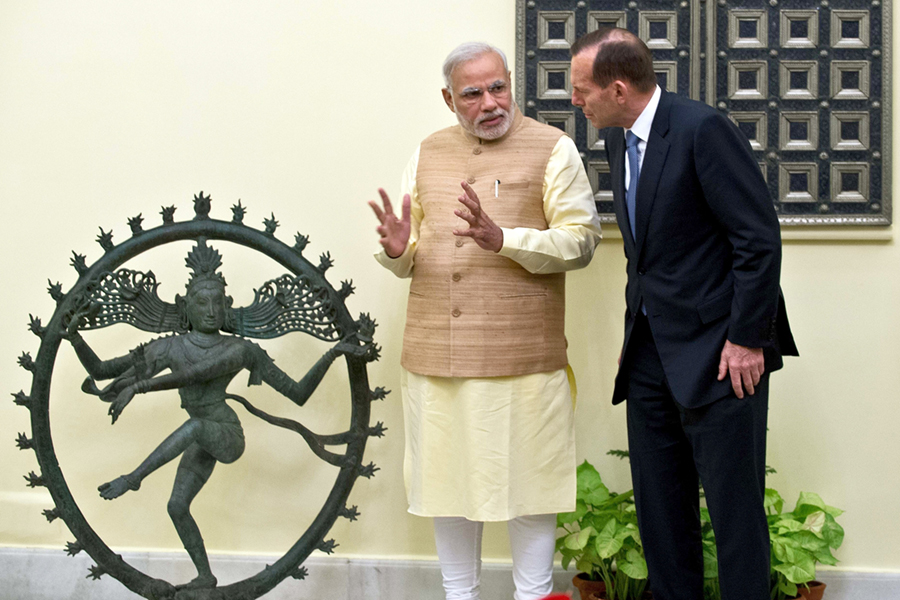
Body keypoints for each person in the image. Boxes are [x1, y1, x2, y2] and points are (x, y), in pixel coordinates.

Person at [569, 28, 798, 600]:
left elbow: (757, 240)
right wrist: (634, 325)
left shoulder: (702, 129)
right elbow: (647, 253)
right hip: (650, 355)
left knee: (734, 514)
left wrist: (747, 338)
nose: (577, 101)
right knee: (660, 512)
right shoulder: (618, 140)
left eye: (581, 91)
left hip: (724, 356)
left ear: (618, 88)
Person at [369, 42, 601, 600]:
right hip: (435, 355)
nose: (490, 102)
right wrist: (400, 250)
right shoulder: (427, 151)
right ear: (449, 99)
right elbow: (408, 249)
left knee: (530, 489)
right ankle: (459, 595)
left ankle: (532, 594)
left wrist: (506, 240)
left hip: (523, 355)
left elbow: (582, 241)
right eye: (473, 93)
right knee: (446, 488)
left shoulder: (554, 148)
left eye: (498, 87)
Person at [65, 239, 366, 591]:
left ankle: (133, 478)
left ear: (227, 307)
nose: (210, 310)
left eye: (217, 302)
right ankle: (205, 576)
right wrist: (72, 336)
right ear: (185, 306)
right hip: (201, 437)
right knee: (177, 506)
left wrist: (332, 355)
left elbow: (296, 393)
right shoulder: (170, 347)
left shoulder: (239, 350)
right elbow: (102, 370)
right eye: (201, 302)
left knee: (194, 426)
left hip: (225, 433)